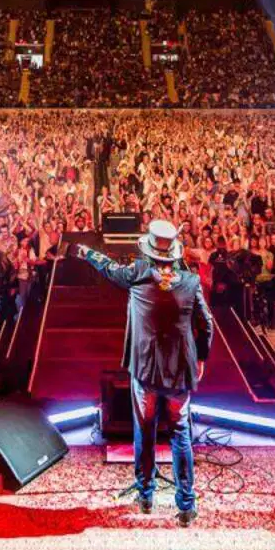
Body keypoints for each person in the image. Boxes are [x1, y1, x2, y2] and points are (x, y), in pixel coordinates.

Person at [77, 219, 215, 525]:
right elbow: (207, 324)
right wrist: (201, 357)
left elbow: (109, 269)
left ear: (149, 251)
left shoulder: (138, 273)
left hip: (146, 372)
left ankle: (146, 495)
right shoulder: (191, 283)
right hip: (180, 373)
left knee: (146, 430)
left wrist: (88, 252)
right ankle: (187, 505)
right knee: (181, 433)